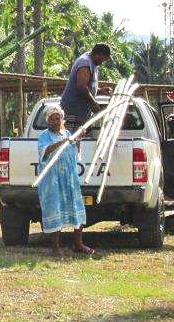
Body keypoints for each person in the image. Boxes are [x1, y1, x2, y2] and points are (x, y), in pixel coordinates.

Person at [37, 105, 92, 257]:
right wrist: (63, 142)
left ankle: (78, 244)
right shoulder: (44, 136)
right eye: (52, 119)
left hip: (69, 178)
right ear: (48, 121)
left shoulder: (67, 133)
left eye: (58, 118)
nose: (55, 121)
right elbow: (45, 151)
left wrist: (78, 138)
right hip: (53, 180)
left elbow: (75, 152)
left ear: (62, 120)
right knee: (55, 208)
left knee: (76, 206)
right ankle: (55, 247)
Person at [59, 43, 113, 131]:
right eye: (103, 59)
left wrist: (100, 90)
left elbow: (87, 87)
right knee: (70, 137)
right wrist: (93, 104)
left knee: (78, 136)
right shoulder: (85, 63)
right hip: (73, 111)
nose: (102, 62)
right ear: (99, 54)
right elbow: (81, 87)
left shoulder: (92, 63)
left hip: (81, 113)